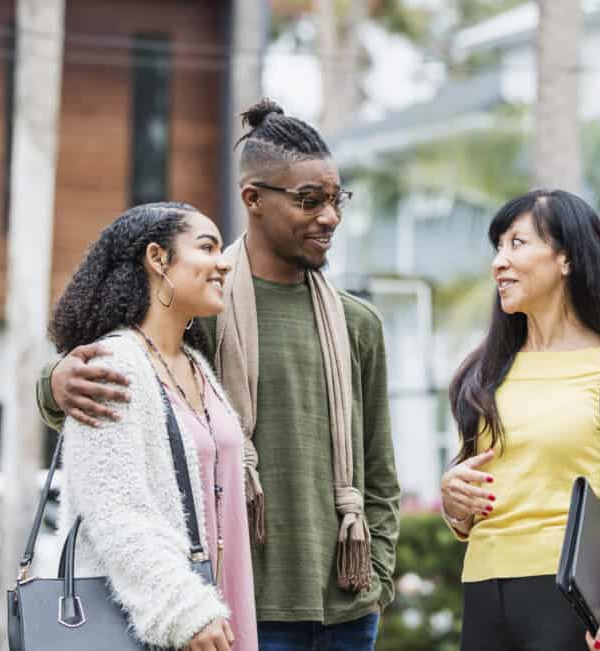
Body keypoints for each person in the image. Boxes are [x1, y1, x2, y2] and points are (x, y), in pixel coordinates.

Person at [36, 100, 400, 651]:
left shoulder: (358, 324)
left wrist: (378, 577)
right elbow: (117, 362)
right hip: (232, 605)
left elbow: (380, 469)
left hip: (348, 607)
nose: (329, 216)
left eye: (335, 200)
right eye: (309, 200)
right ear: (253, 199)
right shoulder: (203, 309)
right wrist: (56, 381)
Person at [440, 190, 600, 651]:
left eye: (517, 244)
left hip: (566, 595)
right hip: (483, 587)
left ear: (565, 259)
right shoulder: (484, 373)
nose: (499, 262)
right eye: (497, 247)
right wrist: (452, 501)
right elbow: (468, 508)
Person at [49, 202, 257, 651]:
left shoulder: (196, 365)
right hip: (173, 618)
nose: (223, 262)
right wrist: (184, 609)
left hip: (217, 610)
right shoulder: (114, 364)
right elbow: (113, 506)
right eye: (207, 247)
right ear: (157, 258)